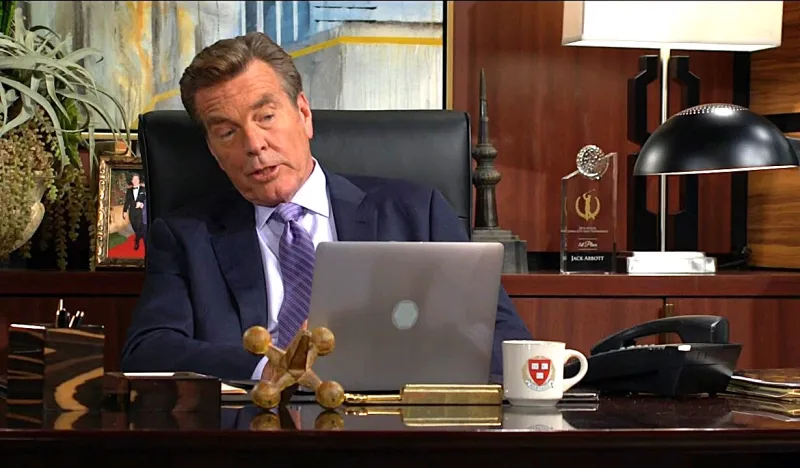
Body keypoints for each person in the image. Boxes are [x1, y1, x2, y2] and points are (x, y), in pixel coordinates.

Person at [120, 32, 532, 382]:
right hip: (254, 426)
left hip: (387, 424)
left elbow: (504, 343)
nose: (254, 144)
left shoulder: (415, 212)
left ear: (303, 114)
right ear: (212, 149)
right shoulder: (185, 236)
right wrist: (268, 368)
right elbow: (147, 351)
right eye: (227, 132)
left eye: (266, 116)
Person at [122, 173, 147, 250]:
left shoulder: (143, 189)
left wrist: (141, 203)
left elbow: (145, 197)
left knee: (139, 226)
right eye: (134, 179)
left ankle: (137, 242)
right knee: (134, 226)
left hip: (141, 211)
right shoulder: (129, 190)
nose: (135, 180)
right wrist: (124, 211)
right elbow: (127, 201)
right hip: (132, 211)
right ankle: (139, 234)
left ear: (139, 180)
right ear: (132, 181)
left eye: (137, 179)